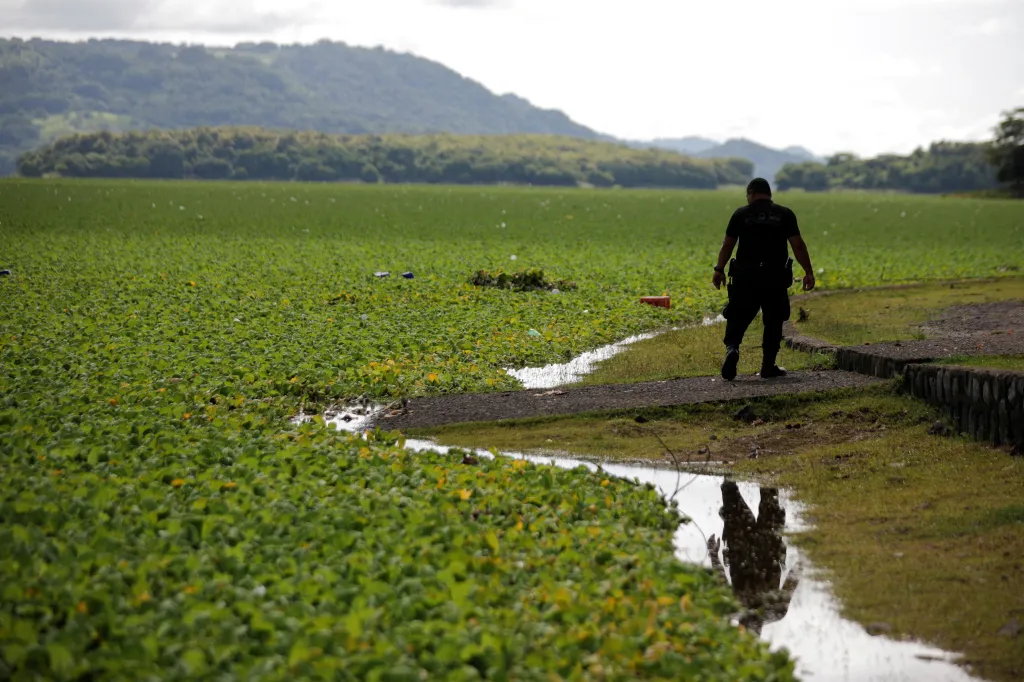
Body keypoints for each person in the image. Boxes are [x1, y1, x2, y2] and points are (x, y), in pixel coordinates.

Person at [712, 178, 815, 381]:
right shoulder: (784, 214)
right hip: (774, 277)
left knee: (738, 315)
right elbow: (798, 245)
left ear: (750, 194)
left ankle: (732, 349)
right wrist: (808, 271)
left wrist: (719, 269)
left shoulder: (741, 214)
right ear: (769, 194)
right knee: (774, 320)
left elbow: (727, 244)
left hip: (745, 276)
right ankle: (768, 365)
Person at [706, 481, 800, 636]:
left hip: (740, 545)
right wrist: (804, 560)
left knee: (729, 490)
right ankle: (765, 468)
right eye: (755, 628)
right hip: (768, 545)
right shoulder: (775, 611)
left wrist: (714, 554)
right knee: (769, 490)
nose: (752, 625)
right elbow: (791, 581)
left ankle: (733, 469)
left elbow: (721, 580)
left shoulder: (733, 609)